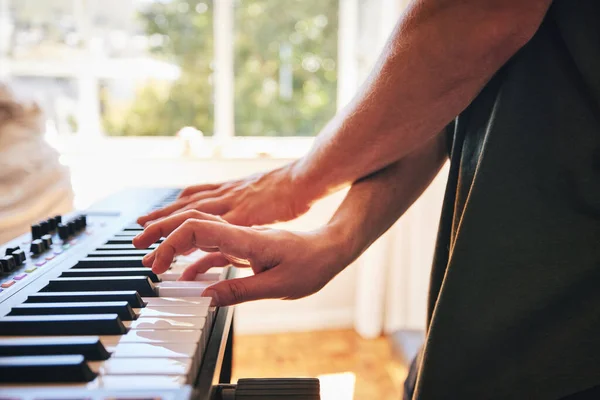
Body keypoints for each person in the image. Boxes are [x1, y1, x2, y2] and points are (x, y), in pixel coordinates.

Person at [133, 0, 600, 398]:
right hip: (484, 314)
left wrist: (296, 181)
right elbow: (444, 94)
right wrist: (335, 239)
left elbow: (479, 14)